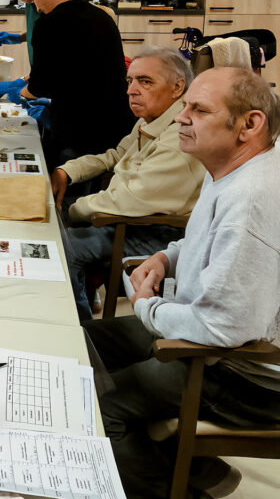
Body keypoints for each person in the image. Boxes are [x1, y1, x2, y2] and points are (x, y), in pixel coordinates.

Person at [84, 67, 280, 498]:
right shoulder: (232, 168)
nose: (180, 118)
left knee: (99, 409)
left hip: (247, 376)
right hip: (218, 342)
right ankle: (194, 468)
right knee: (82, 342)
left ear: (250, 124)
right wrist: (165, 258)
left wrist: (145, 307)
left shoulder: (251, 200)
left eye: (198, 109)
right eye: (185, 105)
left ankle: (182, 486)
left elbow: (223, 328)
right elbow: (205, 239)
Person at [55, 48, 205, 320]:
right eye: (130, 81)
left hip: (154, 231)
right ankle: (81, 304)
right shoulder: (155, 119)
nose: (131, 90)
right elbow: (116, 156)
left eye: (145, 82)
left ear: (177, 87)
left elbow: (129, 200)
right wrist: (67, 172)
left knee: (63, 245)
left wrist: (71, 212)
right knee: (54, 226)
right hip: (131, 213)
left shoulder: (177, 139)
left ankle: (79, 332)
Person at [0, 0, 132, 167]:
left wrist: (19, 93)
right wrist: (52, 101)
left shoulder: (50, 24)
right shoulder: (101, 16)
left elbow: (39, 86)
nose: (37, 8)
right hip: (117, 126)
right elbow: (78, 71)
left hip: (81, 133)